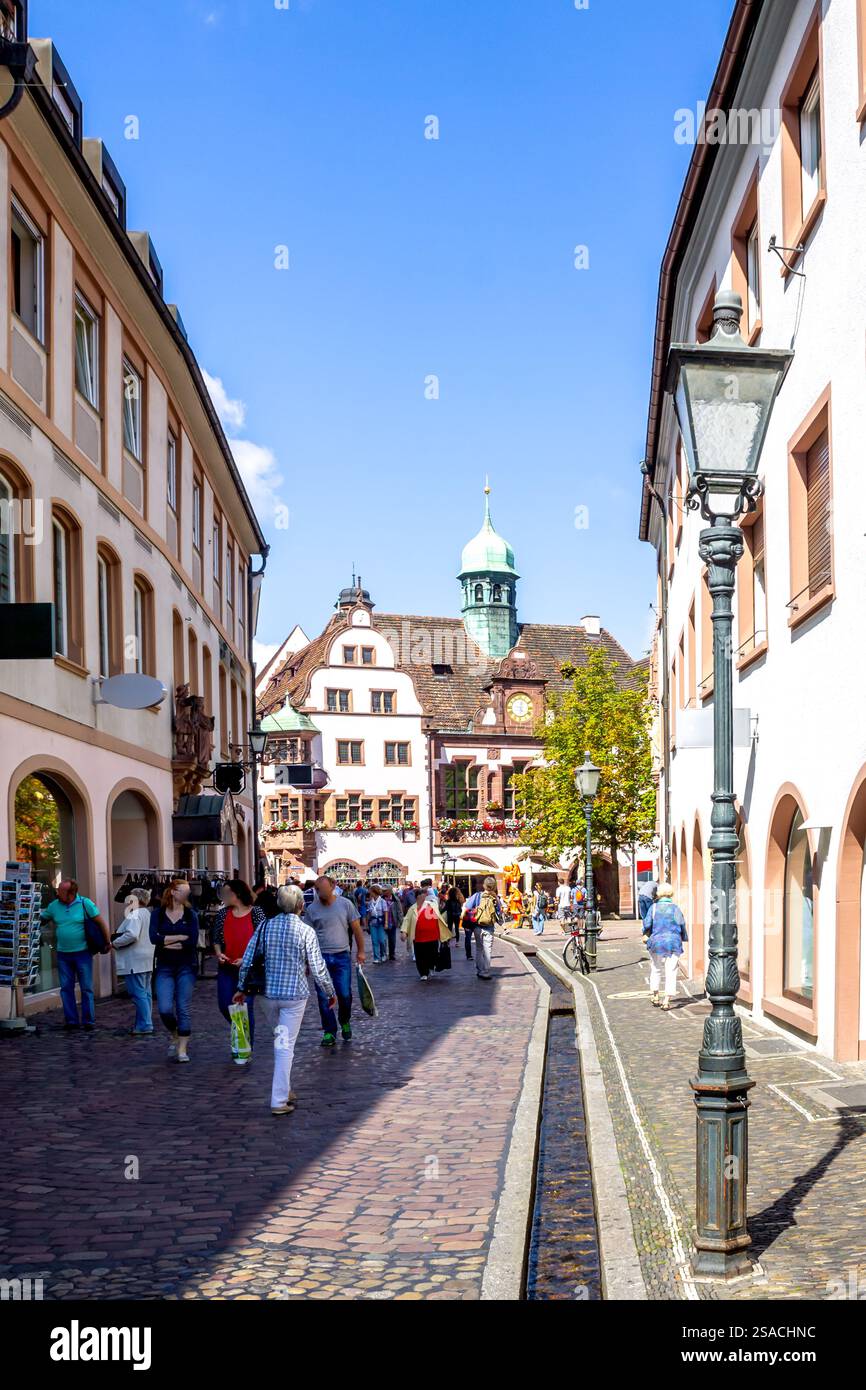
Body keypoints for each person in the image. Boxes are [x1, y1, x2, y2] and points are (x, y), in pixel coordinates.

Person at [234, 884, 335, 1116]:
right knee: (284, 1046)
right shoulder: (305, 931)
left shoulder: (264, 927)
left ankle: (285, 1089)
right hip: (293, 996)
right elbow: (318, 968)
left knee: (281, 1042)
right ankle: (278, 1099)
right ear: (301, 906)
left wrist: (241, 987)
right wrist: (330, 992)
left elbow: (248, 960)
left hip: (267, 995)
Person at [303, 874, 365, 1046]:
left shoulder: (345, 904)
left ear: (332, 886)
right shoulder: (312, 909)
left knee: (344, 994)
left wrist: (361, 951)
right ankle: (329, 1031)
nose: (319, 893)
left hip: (341, 956)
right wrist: (307, 960)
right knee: (323, 997)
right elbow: (307, 936)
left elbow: (357, 929)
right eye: (317, 890)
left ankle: (344, 1020)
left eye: (322, 889)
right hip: (319, 958)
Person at [41, 879, 111, 1030]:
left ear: (71, 893)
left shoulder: (85, 904)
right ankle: (71, 1021)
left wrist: (107, 942)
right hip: (63, 955)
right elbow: (41, 918)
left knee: (86, 988)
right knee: (66, 989)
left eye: (60, 890)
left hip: (83, 953)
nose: (56, 892)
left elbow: (100, 923)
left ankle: (88, 1021)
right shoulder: (54, 906)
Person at [213, 879, 266, 1065]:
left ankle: (246, 1045)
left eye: (227, 893)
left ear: (237, 894)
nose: (224, 897)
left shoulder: (256, 913)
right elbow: (217, 938)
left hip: (249, 969)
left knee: (246, 1006)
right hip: (227, 967)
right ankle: (241, 1034)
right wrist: (219, 954)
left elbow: (262, 941)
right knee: (224, 1005)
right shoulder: (222, 914)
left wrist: (247, 959)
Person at [149, 879, 199, 1062]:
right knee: (164, 1008)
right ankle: (174, 1031)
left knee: (183, 1007)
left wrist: (166, 941)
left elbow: (191, 941)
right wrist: (177, 937)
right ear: (172, 892)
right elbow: (153, 938)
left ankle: (182, 1049)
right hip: (164, 966)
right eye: (182, 891)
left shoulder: (190, 914)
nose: (186, 895)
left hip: (186, 965)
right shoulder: (158, 914)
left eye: (188, 892)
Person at [111, 889, 155, 1036]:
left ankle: (145, 1024)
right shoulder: (147, 913)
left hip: (134, 960)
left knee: (138, 994)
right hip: (146, 958)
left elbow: (132, 934)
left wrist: (115, 943)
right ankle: (145, 1022)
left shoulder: (135, 914)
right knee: (145, 993)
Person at [643, 882, 688, 1011]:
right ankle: (667, 1001)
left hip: (656, 942)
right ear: (671, 893)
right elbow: (681, 925)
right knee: (671, 971)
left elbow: (647, 924)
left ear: (659, 893)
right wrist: (683, 937)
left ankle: (655, 995)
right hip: (673, 942)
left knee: (656, 968)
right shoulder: (675, 908)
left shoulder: (654, 908)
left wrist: (645, 933)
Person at [402, 893, 452, 981]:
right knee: (420, 955)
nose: (423, 898)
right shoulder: (412, 908)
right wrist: (404, 932)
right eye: (421, 896)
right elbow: (407, 920)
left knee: (432, 954)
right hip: (418, 937)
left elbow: (439, 918)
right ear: (417, 897)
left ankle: (431, 967)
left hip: (432, 935)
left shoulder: (432, 905)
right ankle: (423, 973)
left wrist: (445, 933)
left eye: (424, 896)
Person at [460, 876, 503, 980]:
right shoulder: (495, 898)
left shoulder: (478, 895)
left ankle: (480, 971)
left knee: (479, 949)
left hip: (477, 926)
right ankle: (486, 971)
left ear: (484, 885)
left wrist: (462, 917)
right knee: (488, 949)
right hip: (489, 926)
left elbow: (467, 907)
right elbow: (499, 912)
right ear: (494, 886)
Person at [381, 886, 404, 960]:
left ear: (390, 891)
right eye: (383, 891)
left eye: (385, 891)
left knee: (392, 940)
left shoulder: (395, 900)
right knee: (382, 940)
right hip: (383, 922)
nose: (383, 892)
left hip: (392, 922)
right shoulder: (381, 899)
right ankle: (383, 954)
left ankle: (392, 954)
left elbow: (400, 911)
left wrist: (401, 923)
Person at [367, 885, 388, 963]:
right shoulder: (370, 902)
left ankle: (383, 954)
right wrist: (367, 924)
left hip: (381, 922)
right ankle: (376, 957)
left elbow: (385, 912)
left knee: (382, 940)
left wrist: (386, 923)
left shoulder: (382, 901)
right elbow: (368, 913)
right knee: (374, 940)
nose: (369, 893)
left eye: (371, 892)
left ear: (374, 892)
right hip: (373, 923)